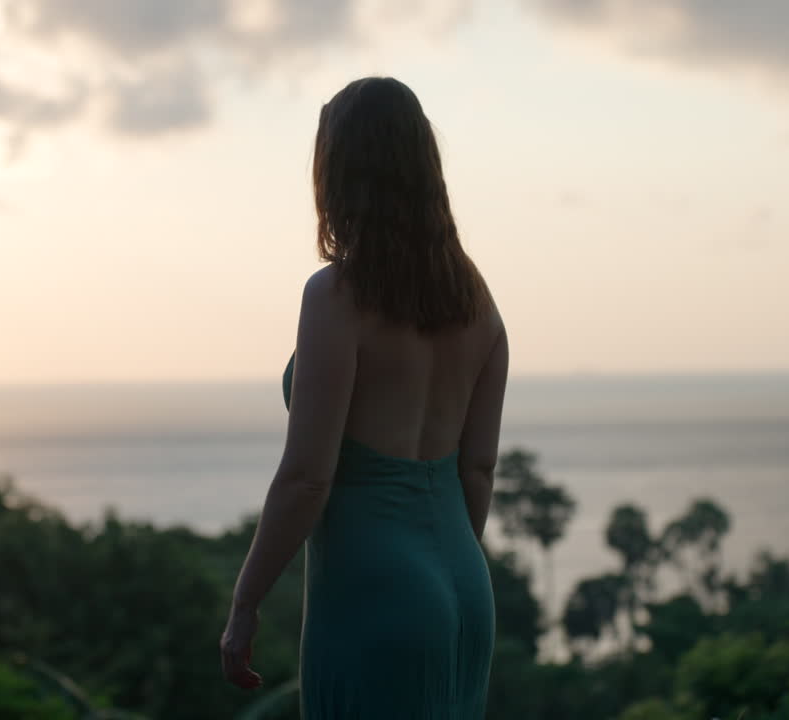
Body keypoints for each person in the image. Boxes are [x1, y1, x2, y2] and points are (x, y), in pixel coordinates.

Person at [220, 76, 508, 719]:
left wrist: (245, 603)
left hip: (373, 593)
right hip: (465, 586)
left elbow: (305, 479)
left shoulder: (336, 299)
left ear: (341, 172)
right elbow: (478, 471)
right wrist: (441, 567)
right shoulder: (479, 307)